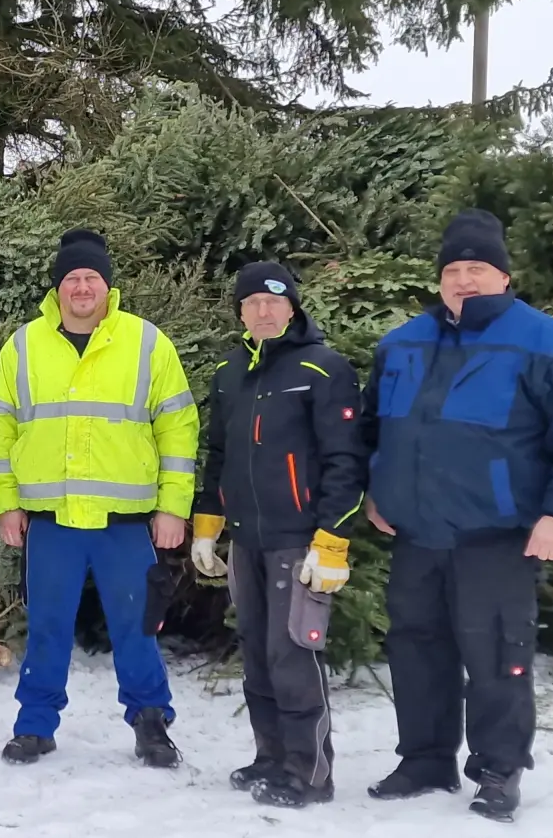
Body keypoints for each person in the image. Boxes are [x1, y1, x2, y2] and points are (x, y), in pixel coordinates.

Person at [360, 209, 553, 823]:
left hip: (497, 536)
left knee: (496, 655)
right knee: (416, 649)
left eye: (477, 268)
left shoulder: (551, 346)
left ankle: (499, 769)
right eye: (453, 269)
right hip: (417, 534)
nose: (464, 280)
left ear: (503, 275)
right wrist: (374, 491)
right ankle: (425, 758)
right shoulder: (402, 344)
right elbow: (371, 432)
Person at [0, 228, 199, 768]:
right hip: (51, 520)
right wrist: (6, 503)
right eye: (71, 278)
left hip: (124, 522)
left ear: (108, 286)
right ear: (57, 288)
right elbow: (1, 432)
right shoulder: (24, 345)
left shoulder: (147, 342)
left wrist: (173, 507)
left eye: (91, 278)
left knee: (136, 625)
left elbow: (177, 427)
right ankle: (34, 726)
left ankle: (151, 721)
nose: (81, 287)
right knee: (47, 627)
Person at [189, 261, 366, 808]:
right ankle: (270, 757)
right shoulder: (230, 372)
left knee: (293, 654)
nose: (263, 311)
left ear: (292, 307)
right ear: (240, 311)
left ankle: (309, 772)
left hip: (299, 540)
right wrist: (207, 524)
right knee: (259, 653)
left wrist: (331, 541)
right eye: (251, 303)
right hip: (246, 540)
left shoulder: (324, 369)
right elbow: (218, 454)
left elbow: (346, 461)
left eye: (274, 301)